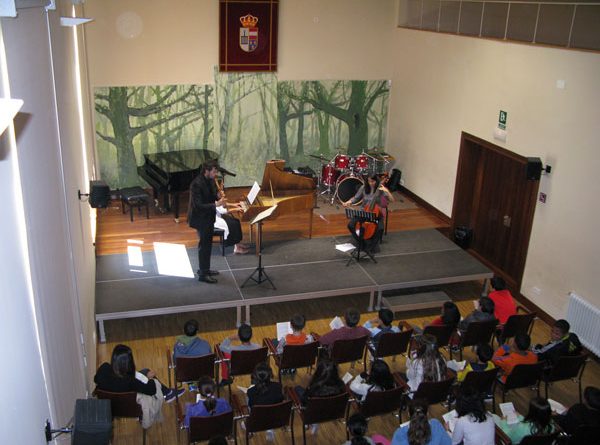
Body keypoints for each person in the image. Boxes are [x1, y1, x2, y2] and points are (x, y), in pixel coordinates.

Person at [94, 344, 183, 403]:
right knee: (151, 377)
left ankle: (167, 392)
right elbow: (151, 390)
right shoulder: (131, 381)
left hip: (111, 405)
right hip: (129, 404)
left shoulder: (104, 368)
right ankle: (167, 393)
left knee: (145, 370)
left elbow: (96, 379)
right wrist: (150, 378)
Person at [188, 160, 226, 284]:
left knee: (207, 244)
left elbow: (212, 194)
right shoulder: (196, 184)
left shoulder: (210, 180)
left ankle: (206, 269)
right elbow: (198, 205)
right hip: (200, 218)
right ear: (207, 171)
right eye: (214, 172)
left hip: (208, 217)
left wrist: (218, 196)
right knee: (204, 246)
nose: (215, 174)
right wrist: (216, 203)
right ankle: (203, 274)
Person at [294, 358, 346, 436]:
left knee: (297, 388)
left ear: (319, 372)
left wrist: (308, 388)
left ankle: (313, 421)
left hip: (313, 411)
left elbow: (304, 400)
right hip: (332, 411)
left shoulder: (314, 389)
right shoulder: (341, 385)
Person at [343, 174, 389, 251]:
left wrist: (384, 194)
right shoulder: (364, 187)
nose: (370, 183)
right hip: (363, 212)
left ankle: (372, 246)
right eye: (368, 181)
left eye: (372, 181)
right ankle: (360, 241)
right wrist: (349, 202)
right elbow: (356, 198)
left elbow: (385, 203)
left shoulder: (381, 189)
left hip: (376, 214)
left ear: (376, 181)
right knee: (350, 225)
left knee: (380, 228)